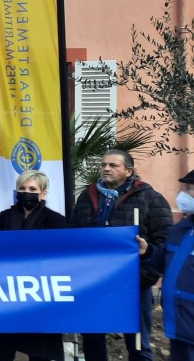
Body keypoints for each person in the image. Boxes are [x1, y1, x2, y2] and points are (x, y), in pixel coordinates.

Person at [72, 150, 172, 361]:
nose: (106, 169)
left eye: (113, 165)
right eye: (103, 165)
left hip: (133, 284)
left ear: (128, 171)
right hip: (94, 282)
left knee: (137, 344)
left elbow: (164, 242)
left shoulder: (149, 198)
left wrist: (144, 275)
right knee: (92, 339)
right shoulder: (87, 197)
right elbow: (74, 236)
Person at [0, 170, 66, 361]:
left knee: (39, 351)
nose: (26, 193)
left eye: (33, 189)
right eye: (22, 188)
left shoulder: (55, 221)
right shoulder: (5, 217)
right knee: (2, 350)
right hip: (8, 294)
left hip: (39, 295)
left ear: (43, 193)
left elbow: (61, 258)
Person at [138, 169, 194, 360]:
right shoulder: (179, 230)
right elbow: (161, 263)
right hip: (178, 323)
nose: (183, 194)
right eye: (185, 188)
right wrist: (148, 251)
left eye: (190, 189)